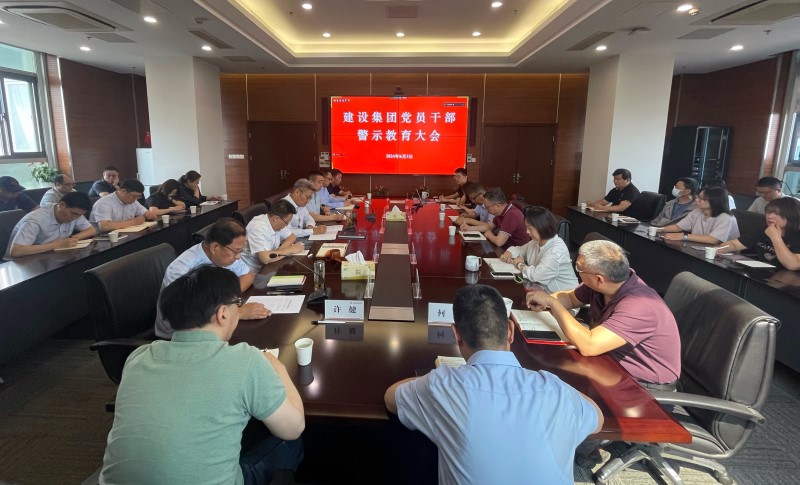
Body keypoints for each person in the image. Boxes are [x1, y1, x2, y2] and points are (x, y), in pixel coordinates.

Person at [100, 266, 305, 484]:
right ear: (223, 313)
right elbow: (293, 428)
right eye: (238, 303)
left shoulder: (137, 358)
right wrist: (277, 366)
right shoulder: (246, 361)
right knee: (291, 442)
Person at [385, 285, 602, 484]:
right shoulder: (555, 391)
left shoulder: (443, 386)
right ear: (510, 331)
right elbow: (598, 419)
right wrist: (559, 386)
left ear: (456, 334)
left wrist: (432, 379)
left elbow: (391, 397)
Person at [526, 239, 681, 388]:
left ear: (599, 279)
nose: (578, 272)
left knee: (550, 377)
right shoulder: (603, 285)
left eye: (579, 268)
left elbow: (589, 346)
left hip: (644, 386)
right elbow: (571, 298)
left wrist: (552, 303)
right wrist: (545, 300)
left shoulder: (639, 305)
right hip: (609, 363)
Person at [154, 217, 270, 338]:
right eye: (236, 251)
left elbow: (248, 275)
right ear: (215, 247)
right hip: (177, 335)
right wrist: (237, 312)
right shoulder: (181, 270)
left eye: (241, 251)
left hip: (214, 319)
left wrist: (228, 301)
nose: (238, 257)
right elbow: (186, 316)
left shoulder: (222, 253)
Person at [500, 206, 578, 293]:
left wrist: (519, 264)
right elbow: (519, 250)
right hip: (542, 290)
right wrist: (509, 253)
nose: (527, 232)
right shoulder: (536, 241)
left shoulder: (556, 249)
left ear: (542, 226)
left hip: (563, 295)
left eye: (530, 228)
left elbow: (537, 276)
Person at [4, 192, 96, 259]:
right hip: (20, 263)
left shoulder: (75, 214)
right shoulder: (35, 220)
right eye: (73, 214)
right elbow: (16, 251)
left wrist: (70, 240)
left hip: (49, 256)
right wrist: (56, 245)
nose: (75, 218)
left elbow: (91, 230)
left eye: (79, 215)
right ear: (62, 205)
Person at [720, 197, 800, 270]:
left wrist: (775, 237)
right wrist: (718, 250)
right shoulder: (763, 229)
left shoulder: (797, 236)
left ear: (792, 216)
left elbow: (793, 265)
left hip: (785, 278)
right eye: (768, 212)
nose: (770, 216)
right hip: (760, 272)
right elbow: (735, 244)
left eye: (777, 213)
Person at [657, 186, 740, 244]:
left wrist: (684, 236)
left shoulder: (726, 218)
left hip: (722, 255)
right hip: (699, 247)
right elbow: (678, 227)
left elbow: (713, 240)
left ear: (714, 201)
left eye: (701, 198)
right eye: (697, 197)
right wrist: (658, 229)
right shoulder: (697, 211)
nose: (696, 200)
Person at [241, 199, 305, 271]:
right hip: (253, 272)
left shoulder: (276, 222)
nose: (287, 225)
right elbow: (265, 258)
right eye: (286, 222)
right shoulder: (258, 228)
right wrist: (291, 250)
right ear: (276, 218)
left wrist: (280, 252)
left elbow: (291, 237)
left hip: (269, 266)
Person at [90, 178, 157, 232]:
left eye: (138, 197)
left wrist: (149, 215)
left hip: (124, 234)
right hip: (102, 238)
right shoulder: (104, 203)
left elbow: (149, 214)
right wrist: (133, 222)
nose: (135, 199)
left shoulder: (133, 201)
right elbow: (104, 226)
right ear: (123, 191)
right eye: (134, 196)